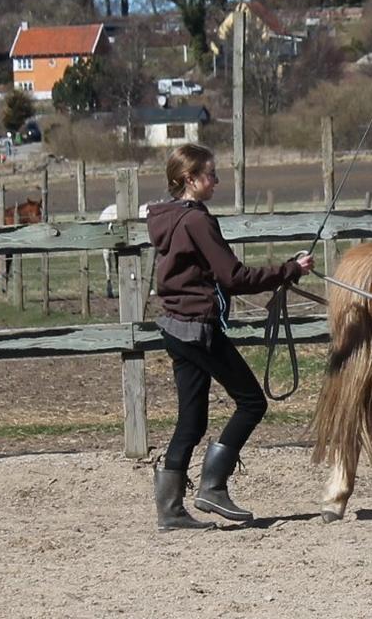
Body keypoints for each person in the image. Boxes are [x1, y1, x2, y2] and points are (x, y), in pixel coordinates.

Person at [145, 142, 313, 531]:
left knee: (192, 419)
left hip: (176, 328)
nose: (216, 181)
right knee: (252, 403)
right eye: (211, 174)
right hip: (199, 330)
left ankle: (170, 509)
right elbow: (233, 278)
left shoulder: (168, 218)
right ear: (190, 179)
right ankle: (212, 487)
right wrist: (290, 269)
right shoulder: (197, 221)